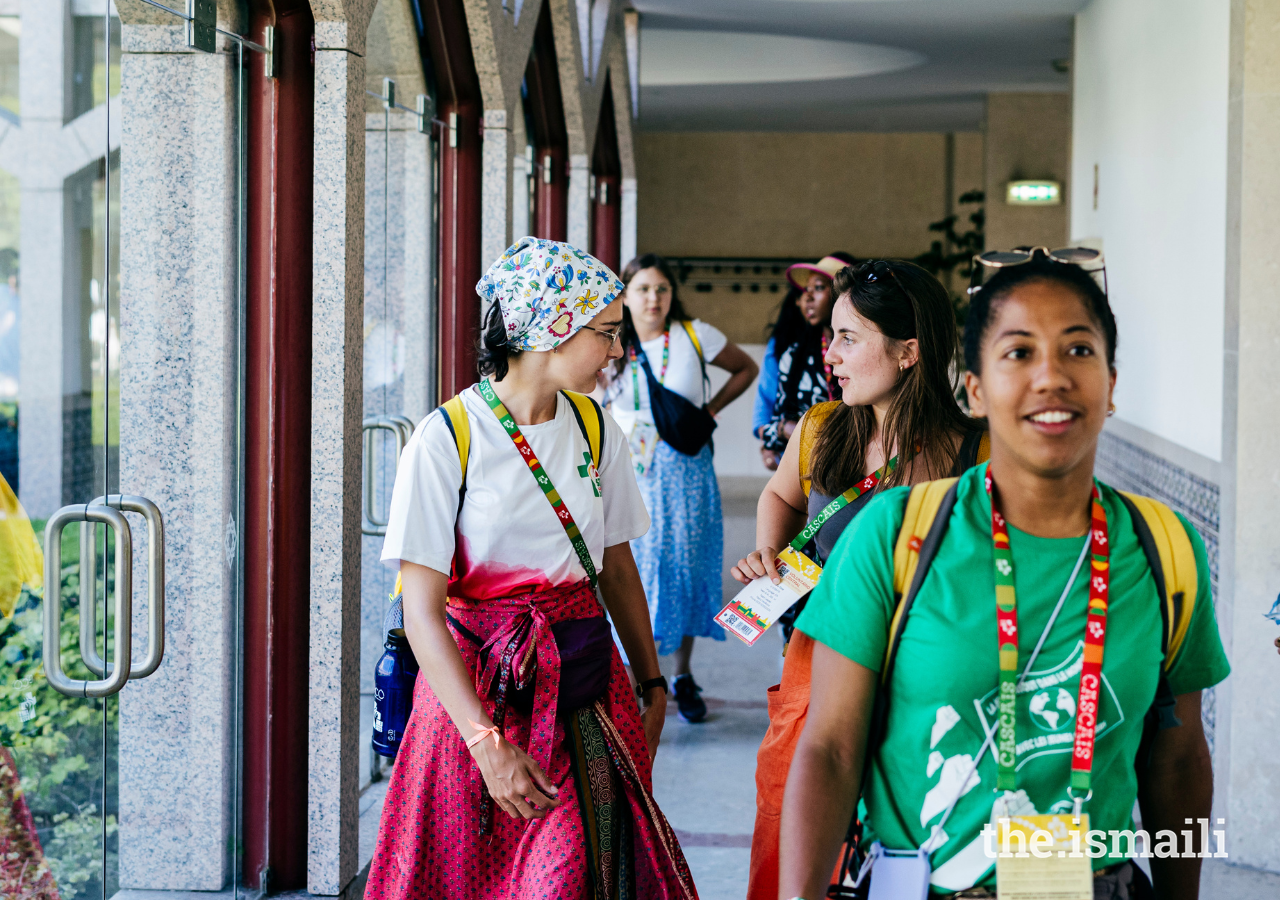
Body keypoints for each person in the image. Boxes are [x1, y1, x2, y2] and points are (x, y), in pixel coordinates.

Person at [780, 253, 1229, 899]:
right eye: (1018, 353)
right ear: (974, 389)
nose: (1050, 376)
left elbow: (1179, 756)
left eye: (1078, 349)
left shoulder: (1163, 549)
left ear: (1111, 383)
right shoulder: (895, 537)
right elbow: (829, 749)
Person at [367, 238, 699, 900]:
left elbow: (616, 565)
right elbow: (422, 612)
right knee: (464, 877)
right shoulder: (447, 438)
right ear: (550, 327)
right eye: (605, 333)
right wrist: (486, 743)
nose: (616, 352)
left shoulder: (596, 426)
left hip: (581, 691)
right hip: (475, 699)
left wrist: (653, 680)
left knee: (573, 871)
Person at [733, 259, 985, 900]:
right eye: (832, 337)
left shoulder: (971, 453)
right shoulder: (821, 430)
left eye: (850, 338)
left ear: (909, 352)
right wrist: (768, 553)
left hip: (924, 675)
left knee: (906, 833)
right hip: (819, 662)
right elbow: (779, 499)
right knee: (797, 827)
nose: (832, 354)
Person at [603, 253, 757, 722]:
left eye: (662, 289)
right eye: (643, 289)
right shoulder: (609, 343)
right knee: (636, 571)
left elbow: (745, 368)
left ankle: (683, 674)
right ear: (625, 295)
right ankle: (635, 679)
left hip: (687, 469)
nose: (654, 298)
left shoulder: (695, 335)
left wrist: (709, 411)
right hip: (630, 471)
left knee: (687, 569)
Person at [755, 253, 855, 470]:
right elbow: (772, 428)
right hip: (808, 472)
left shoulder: (866, 352)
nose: (807, 297)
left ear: (844, 294)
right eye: (806, 290)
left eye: (818, 288)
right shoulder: (793, 356)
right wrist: (786, 429)